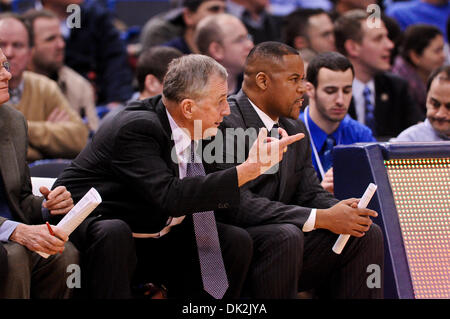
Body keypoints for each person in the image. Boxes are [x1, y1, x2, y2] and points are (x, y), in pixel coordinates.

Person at [53, 54, 303, 299]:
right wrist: (248, 169)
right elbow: (170, 196)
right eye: (220, 101)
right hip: (100, 226)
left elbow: (211, 189)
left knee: (233, 240)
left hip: (153, 229)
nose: (226, 111)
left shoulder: (203, 125)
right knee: (114, 232)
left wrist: (253, 166)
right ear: (188, 107)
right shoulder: (138, 127)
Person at [213, 41, 384, 298]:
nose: (303, 89)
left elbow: (310, 193)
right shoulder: (225, 123)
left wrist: (340, 211)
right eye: (294, 80)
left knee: (364, 232)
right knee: (286, 236)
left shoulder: (295, 127)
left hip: (285, 238)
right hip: (232, 245)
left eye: (303, 80)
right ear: (262, 81)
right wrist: (320, 217)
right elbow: (237, 204)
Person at [0, 47, 79, 299]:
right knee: (14, 255)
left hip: (9, 235)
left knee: (63, 253)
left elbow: (20, 198)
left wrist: (48, 206)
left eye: (5, 67)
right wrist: (15, 231)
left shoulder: (13, 122)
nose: (7, 75)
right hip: (7, 241)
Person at [0, 13, 89, 162]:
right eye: (1, 44)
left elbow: (79, 139)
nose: (9, 53)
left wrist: (23, 128)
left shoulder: (45, 87)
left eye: (18, 45)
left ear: (30, 53)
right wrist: (46, 145)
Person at [334, 9, 423, 140]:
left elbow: (418, 133)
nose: (390, 45)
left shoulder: (396, 87)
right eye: (378, 39)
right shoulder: (330, 89)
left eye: (387, 37)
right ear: (353, 47)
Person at [299, 52, 375, 194]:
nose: (340, 100)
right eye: (330, 91)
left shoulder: (361, 135)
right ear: (309, 90)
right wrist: (316, 198)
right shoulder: (288, 134)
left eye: (347, 91)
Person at [40, 0, 134, 106]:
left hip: (97, 104)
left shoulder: (94, 16)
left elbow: (116, 61)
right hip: (49, 105)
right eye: (51, 39)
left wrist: (116, 102)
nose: (60, 45)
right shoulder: (25, 22)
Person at [24, 9, 99, 132]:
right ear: (29, 46)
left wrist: (33, 131)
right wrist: (54, 132)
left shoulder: (79, 86)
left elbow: (92, 141)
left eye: (61, 38)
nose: (61, 45)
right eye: (51, 39)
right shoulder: (8, 84)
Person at [391, 24, 446, 116]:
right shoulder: (399, 86)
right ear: (415, 56)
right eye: (437, 51)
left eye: (443, 49)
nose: (443, 56)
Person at [195, 13, 254, 94]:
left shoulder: (254, 85)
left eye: (248, 37)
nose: (250, 45)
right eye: (240, 40)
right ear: (216, 50)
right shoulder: (196, 94)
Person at [391, 64, 450, 142]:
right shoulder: (408, 142)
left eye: (449, 107)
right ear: (426, 99)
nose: (440, 114)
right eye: (435, 104)